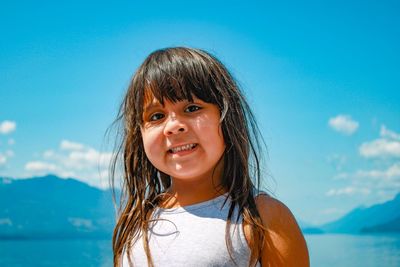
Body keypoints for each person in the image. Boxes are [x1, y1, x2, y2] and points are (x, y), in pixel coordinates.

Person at [110, 47, 309, 267]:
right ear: (140, 134)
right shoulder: (136, 224)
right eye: (157, 116)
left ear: (227, 118)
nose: (174, 126)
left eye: (192, 108)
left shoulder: (265, 218)